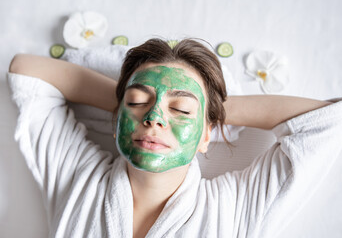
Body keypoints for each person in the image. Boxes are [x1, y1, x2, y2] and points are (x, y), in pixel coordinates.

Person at [7, 38, 342, 238]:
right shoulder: (77, 176)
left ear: (205, 136)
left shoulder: (233, 209)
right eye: (139, 103)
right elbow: (25, 71)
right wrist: (125, 97)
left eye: (181, 109)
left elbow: (324, 124)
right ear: (117, 119)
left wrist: (212, 110)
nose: (154, 117)